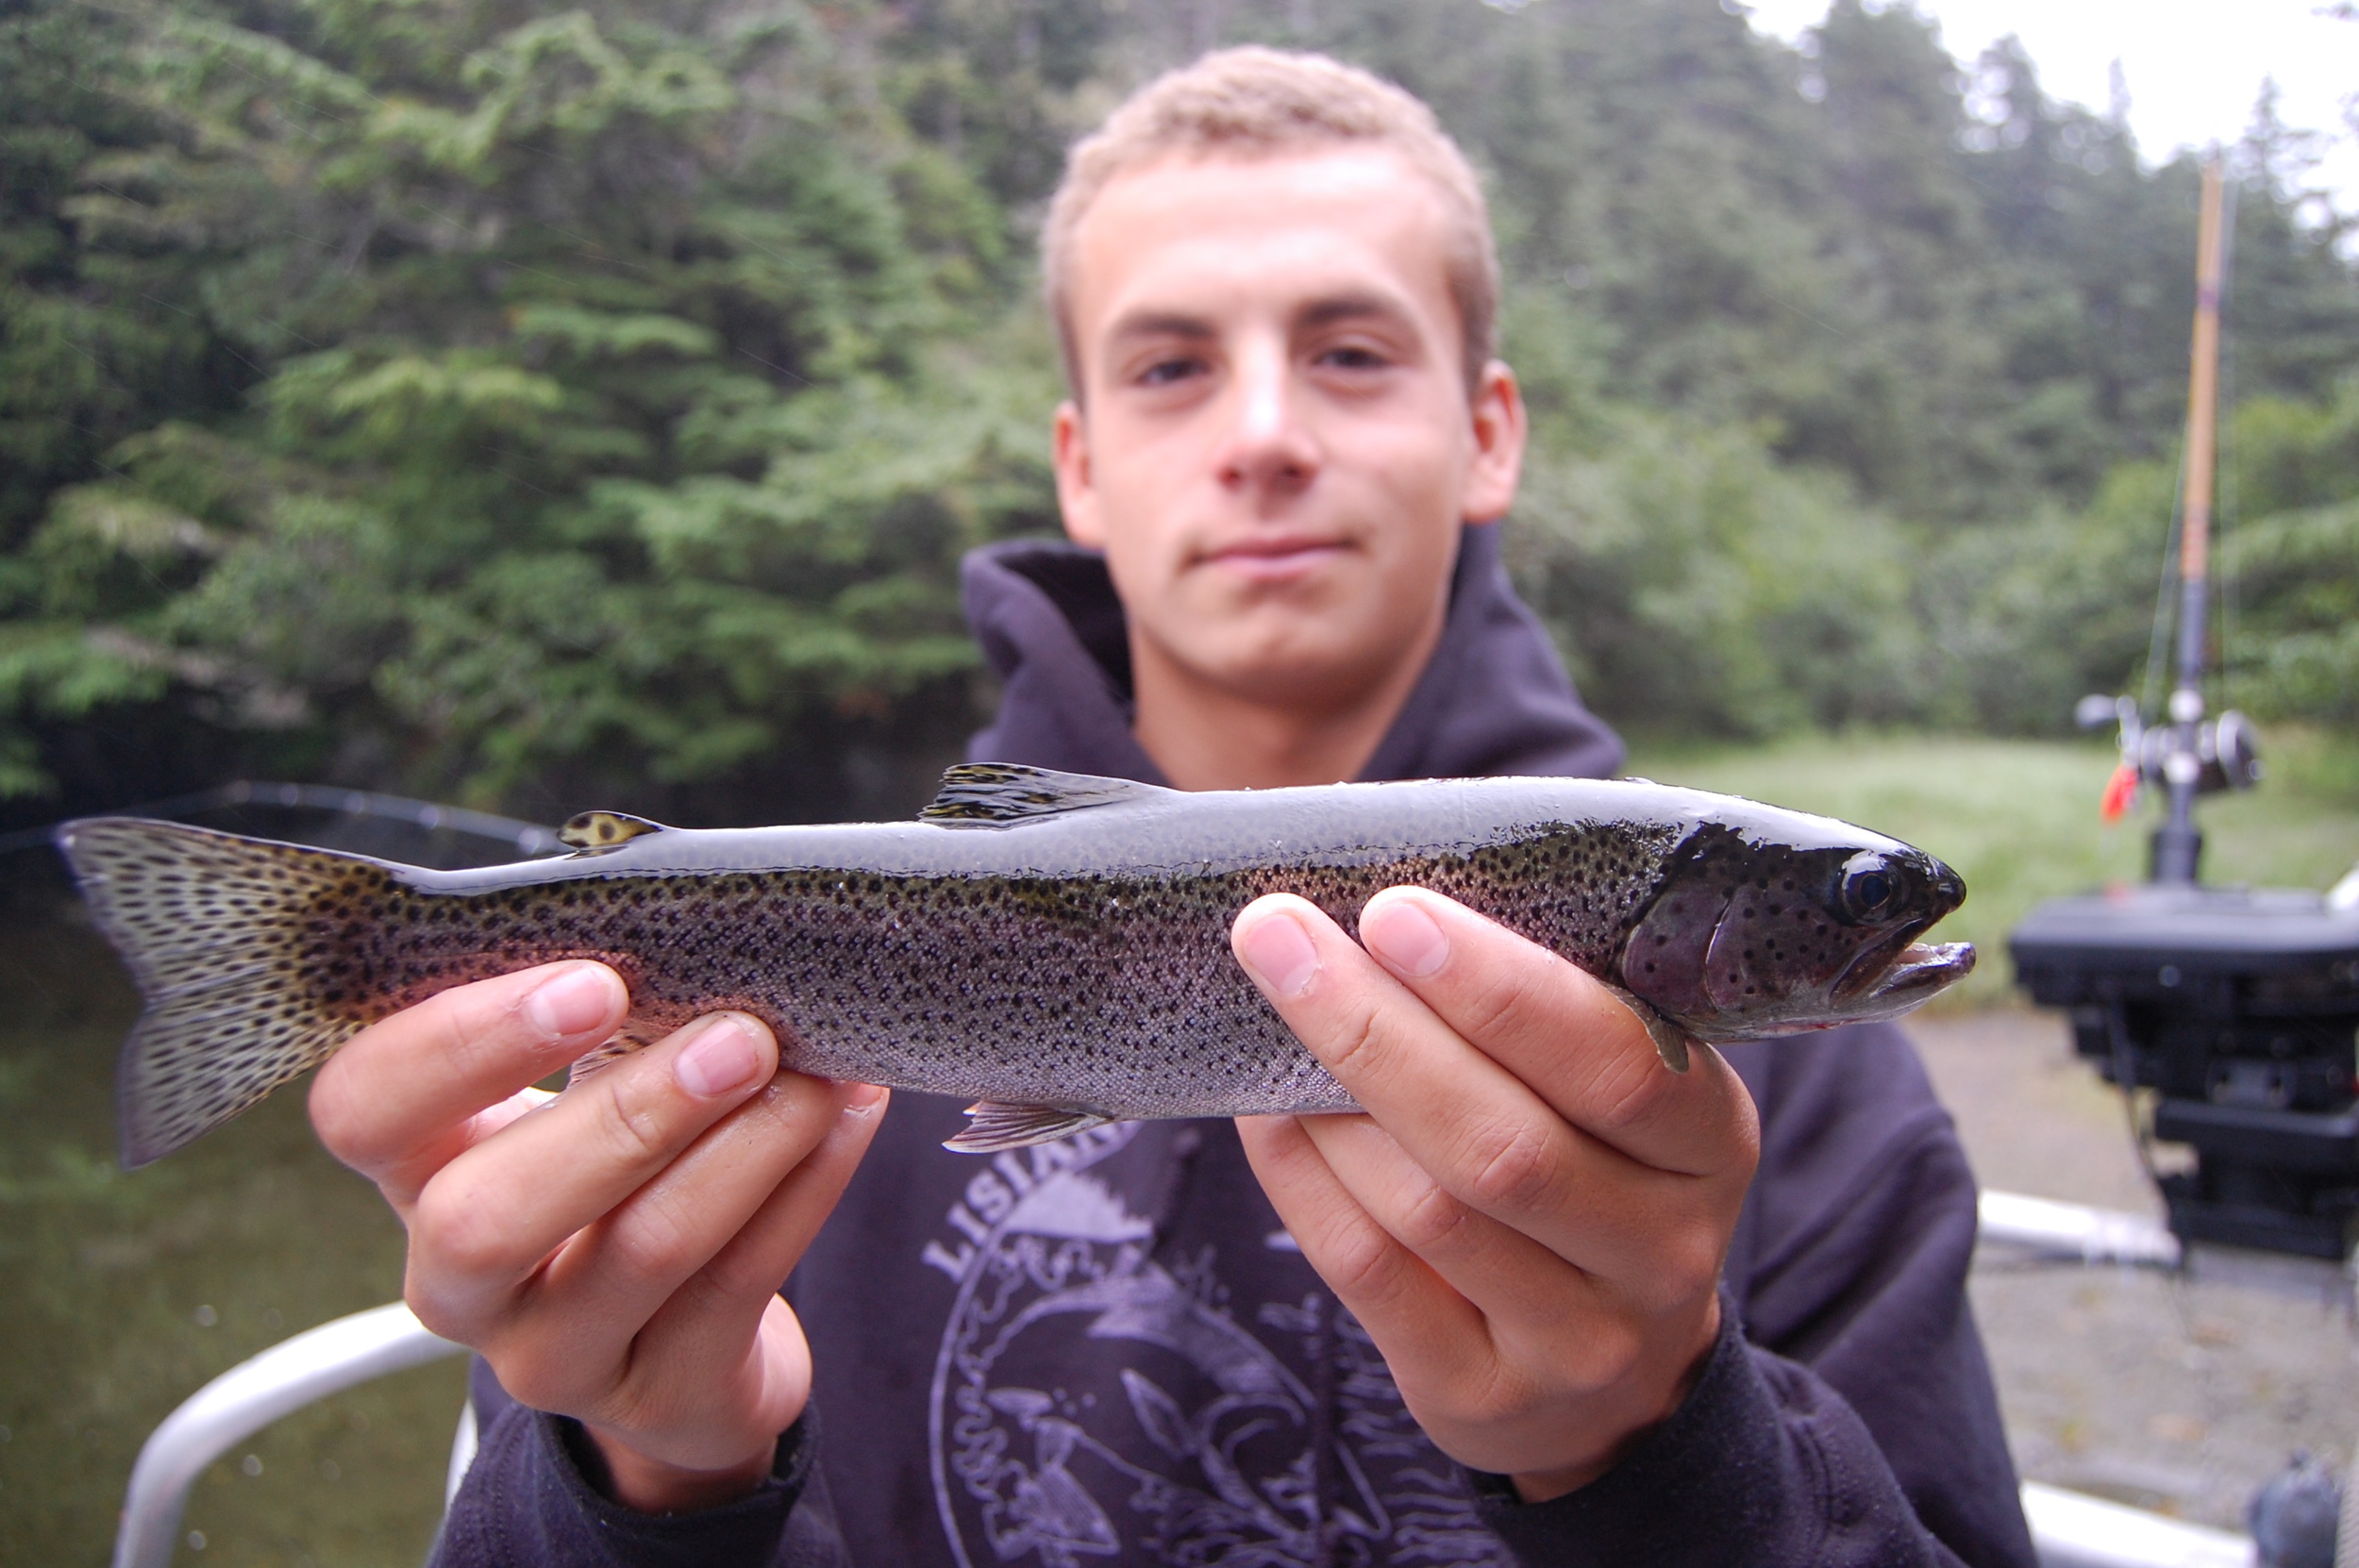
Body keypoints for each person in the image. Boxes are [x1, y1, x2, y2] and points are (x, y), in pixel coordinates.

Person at [309, 48, 2038, 1567]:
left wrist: (1671, 1447)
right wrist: (657, 1481)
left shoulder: (1815, 1105)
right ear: (1077, 459)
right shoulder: (769, 1007)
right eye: (1171, 368)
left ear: (1488, 430)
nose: (1266, 433)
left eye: (1353, 351)